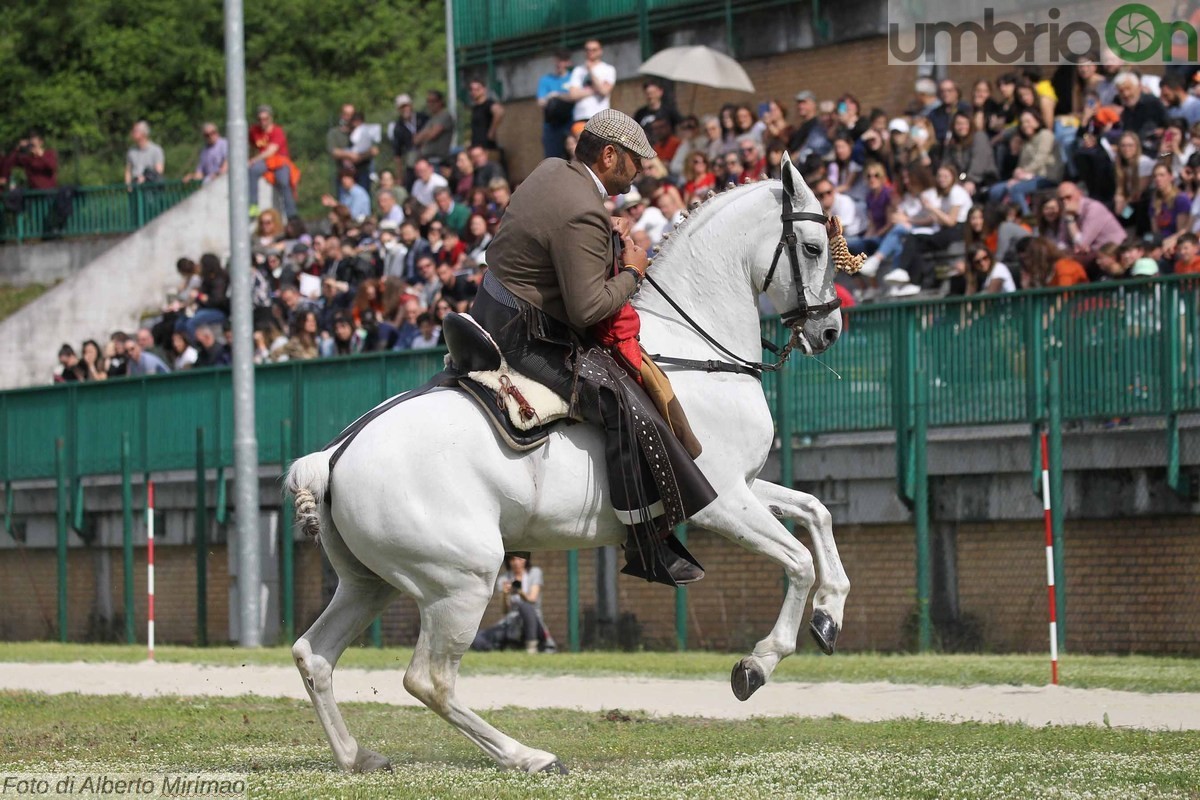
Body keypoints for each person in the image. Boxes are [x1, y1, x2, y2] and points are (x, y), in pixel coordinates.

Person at [470, 108, 715, 587]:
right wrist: (634, 270)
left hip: (491, 309)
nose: (640, 171)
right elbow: (588, 310)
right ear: (609, 155)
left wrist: (606, 236)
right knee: (626, 403)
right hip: (527, 337)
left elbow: (557, 238)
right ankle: (645, 543)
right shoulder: (583, 209)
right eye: (634, 161)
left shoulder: (552, 170)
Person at [470, 555, 555, 653]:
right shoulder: (504, 579)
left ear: (526, 560)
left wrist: (519, 591)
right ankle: (506, 646)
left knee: (525, 606)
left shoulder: (534, 572)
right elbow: (504, 611)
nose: (516, 563)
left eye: (520, 559)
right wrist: (505, 594)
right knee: (478, 639)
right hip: (513, 624)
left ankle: (531, 648)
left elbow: (532, 599)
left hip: (534, 624)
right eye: (513, 559)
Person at [248, 105, 298, 219]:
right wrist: (250, 158)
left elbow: (271, 151)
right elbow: (251, 146)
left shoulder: (277, 131)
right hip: (264, 161)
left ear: (271, 118)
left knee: (283, 181)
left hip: (279, 160)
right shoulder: (254, 131)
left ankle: (291, 214)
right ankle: (253, 206)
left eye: (265, 119)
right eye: (260, 119)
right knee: (253, 171)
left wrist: (253, 160)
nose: (262, 122)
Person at [565, 40, 616, 135]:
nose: (590, 52)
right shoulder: (578, 70)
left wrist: (591, 71)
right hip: (580, 117)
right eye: (587, 50)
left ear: (600, 51)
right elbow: (573, 95)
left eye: (594, 50)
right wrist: (595, 89)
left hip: (600, 117)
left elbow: (604, 91)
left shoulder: (608, 69)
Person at [537, 49, 576, 159]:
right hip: (552, 126)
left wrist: (556, 95)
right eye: (558, 60)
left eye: (563, 61)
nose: (560, 64)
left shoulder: (574, 78)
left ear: (569, 62)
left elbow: (575, 96)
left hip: (569, 123)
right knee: (553, 159)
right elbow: (541, 102)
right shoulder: (546, 80)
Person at [413, 90, 454, 165]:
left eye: (433, 101)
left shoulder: (445, 116)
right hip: (425, 159)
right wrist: (428, 132)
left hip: (438, 160)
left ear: (440, 102)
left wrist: (425, 134)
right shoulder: (431, 120)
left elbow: (433, 134)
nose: (430, 104)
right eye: (428, 101)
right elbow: (416, 140)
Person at [466, 78, 505, 152]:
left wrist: (492, 131)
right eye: (472, 90)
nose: (474, 92)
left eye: (477, 89)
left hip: (486, 146)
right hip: (476, 146)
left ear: (484, 89)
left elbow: (499, 112)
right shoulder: (475, 108)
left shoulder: (488, 104)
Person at [125, 121, 164, 187]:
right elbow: (128, 171)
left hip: (151, 188)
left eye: (135, 131)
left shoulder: (156, 150)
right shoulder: (131, 151)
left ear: (143, 133)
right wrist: (128, 186)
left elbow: (159, 171)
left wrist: (145, 178)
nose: (132, 133)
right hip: (135, 186)